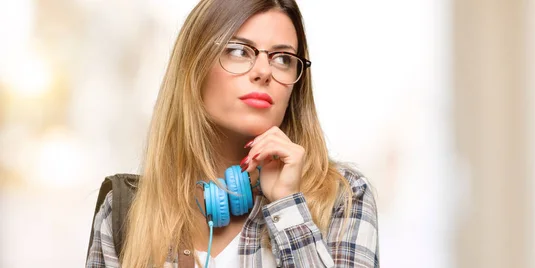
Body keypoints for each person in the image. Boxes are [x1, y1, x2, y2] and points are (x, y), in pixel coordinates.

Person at [85, 0, 379, 267]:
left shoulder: (344, 197)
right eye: (239, 50)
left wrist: (288, 209)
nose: (264, 71)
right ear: (195, 65)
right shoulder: (124, 213)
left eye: (282, 58)